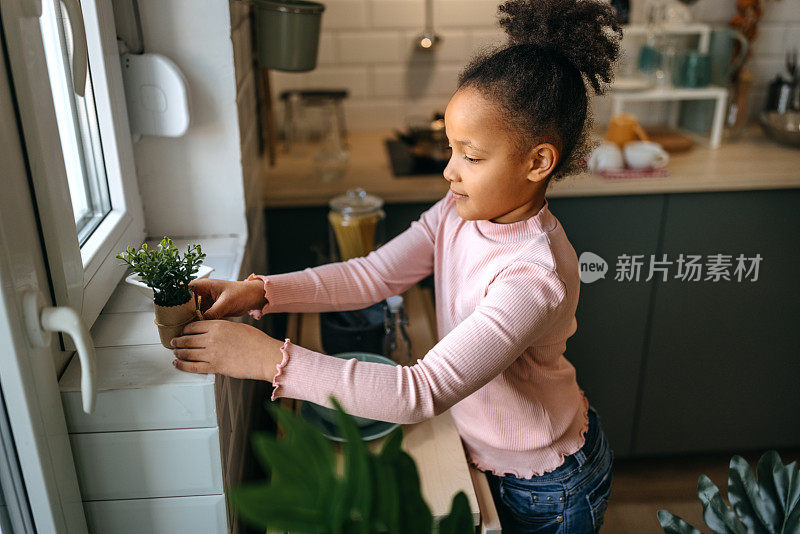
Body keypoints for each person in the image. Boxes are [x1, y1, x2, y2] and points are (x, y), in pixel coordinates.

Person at [171, 0, 621, 530]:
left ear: (537, 162)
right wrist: (260, 292)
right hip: (489, 452)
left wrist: (269, 360)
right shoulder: (461, 212)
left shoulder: (531, 276)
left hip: (549, 487)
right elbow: (373, 275)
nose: (450, 172)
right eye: (450, 149)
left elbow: (421, 391)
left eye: (471, 157)